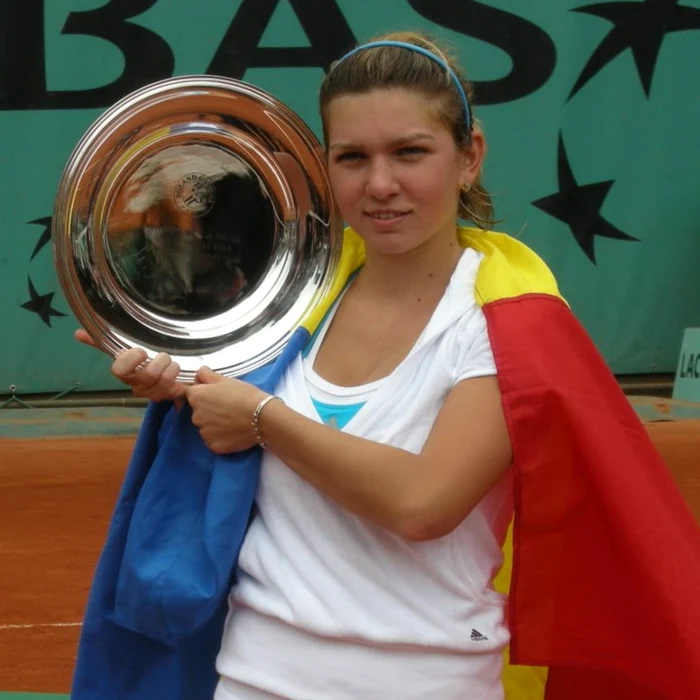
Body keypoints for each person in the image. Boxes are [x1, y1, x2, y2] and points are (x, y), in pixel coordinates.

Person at [73, 32, 700, 700]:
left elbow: (422, 504)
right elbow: (221, 434)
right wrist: (177, 390)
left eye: (410, 152)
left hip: (429, 684)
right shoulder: (280, 307)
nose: (380, 185)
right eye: (352, 157)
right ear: (323, 167)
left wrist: (262, 417)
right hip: (253, 677)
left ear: (469, 157)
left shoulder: (508, 326)